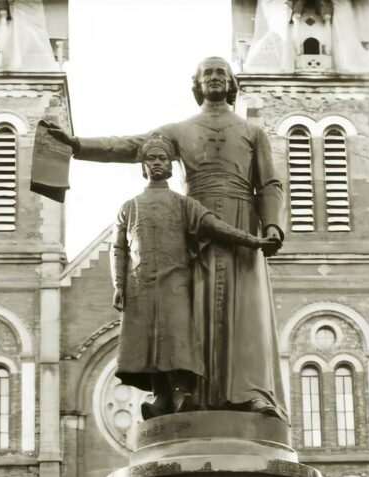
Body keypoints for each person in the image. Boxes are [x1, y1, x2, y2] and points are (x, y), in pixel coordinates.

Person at [46, 56, 287, 419]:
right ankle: (193, 395)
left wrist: (271, 225)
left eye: (222, 72)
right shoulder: (179, 130)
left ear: (233, 83)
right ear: (197, 84)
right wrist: (76, 146)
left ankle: (251, 392)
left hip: (242, 221)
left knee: (245, 311)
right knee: (192, 312)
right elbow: (127, 146)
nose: (216, 77)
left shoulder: (252, 133)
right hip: (193, 226)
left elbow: (269, 183)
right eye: (208, 73)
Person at [110, 134, 278, 419]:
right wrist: (118, 285)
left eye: (163, 158)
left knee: (176, 339)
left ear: (171, 166)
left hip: (175, 283)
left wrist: (252, 240)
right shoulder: (129, 207)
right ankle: (160, 397)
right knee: (146, 342)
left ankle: (181, 392)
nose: (157, 163)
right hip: (140, 286)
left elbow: (214, 226)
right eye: (151, 159)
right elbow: (119, 249)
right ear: (143, 166)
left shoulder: (183, 204)